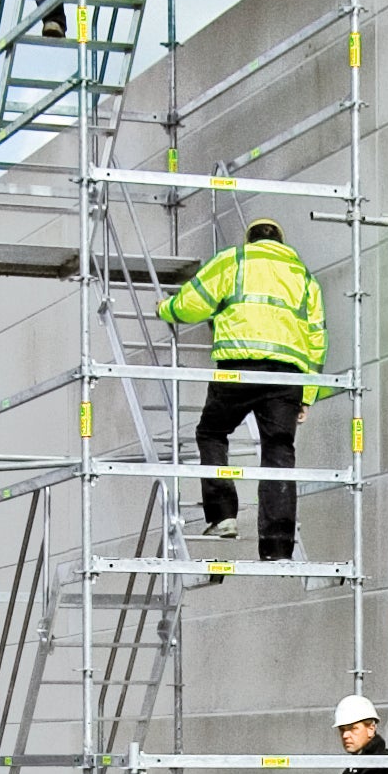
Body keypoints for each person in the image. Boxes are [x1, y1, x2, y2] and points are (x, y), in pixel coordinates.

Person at [157, 220, 327, 562]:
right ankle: (278, 545)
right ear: (282, 242)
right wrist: (307, 394)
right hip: (287, 377)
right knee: (279, 453)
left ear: (249, 239)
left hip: (239, 367)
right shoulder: (303, 276)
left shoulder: (234, 260)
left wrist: (165, 309)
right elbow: (317, 340)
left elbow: (194, 301)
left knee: (212, 432)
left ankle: (222, 515)